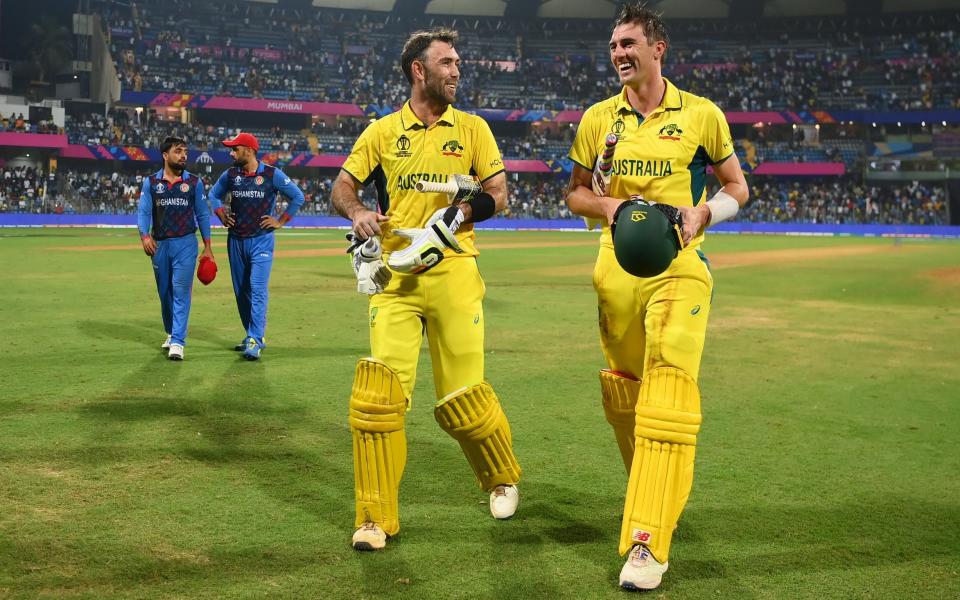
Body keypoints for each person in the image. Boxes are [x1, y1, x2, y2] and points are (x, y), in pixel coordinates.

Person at [565, 3, 749, 591]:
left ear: (657, 47)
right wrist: (610, 205)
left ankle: (646, 542)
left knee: (668, 385)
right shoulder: (598, 119)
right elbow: (574, 194)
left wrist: (704, 212)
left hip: (680, 264)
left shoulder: (700, 114)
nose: (618, 53)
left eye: (628, 43)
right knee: (626, 391)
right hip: (614, 272)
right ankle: (654, 485)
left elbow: (737, 186)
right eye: (613, 45)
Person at [331, 27, 522, 552]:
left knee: (465, 396)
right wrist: (359, 211)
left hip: (455, 272)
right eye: (447, 62)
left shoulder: (474, 128)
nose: (457, 70)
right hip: (395, 278)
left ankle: (502, 476)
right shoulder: (381, 131)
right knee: (379, 400)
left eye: (458, 61)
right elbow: (341, 186)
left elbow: (499, 194)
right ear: (420, 70)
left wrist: (460, 212)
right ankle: (374, 518)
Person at [208, 132, 305, 360]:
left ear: (249, 150)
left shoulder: (271, 174)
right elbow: (213, 195)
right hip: (236, 241)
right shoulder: (231, 175)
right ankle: (251, 335)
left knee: (258, 288)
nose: (231, 153)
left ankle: (255, 338)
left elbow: (297, 197)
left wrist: (280, 221)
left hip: (262, 239)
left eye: (235, 149)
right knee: (242, 292)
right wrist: (221, 214)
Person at [137, 136, 214, 360]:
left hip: (186, 244)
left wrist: (208, 246)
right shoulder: (151, 183)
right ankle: (171, 333)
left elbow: (202, 215)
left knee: (181, 291)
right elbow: (143, 212)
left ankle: (179, 342)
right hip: (160, 245)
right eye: (178, 151)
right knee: (165, 293)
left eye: (185, 152)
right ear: (165, 155)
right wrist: (144, 236)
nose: (183, 155)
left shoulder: (194, 182)